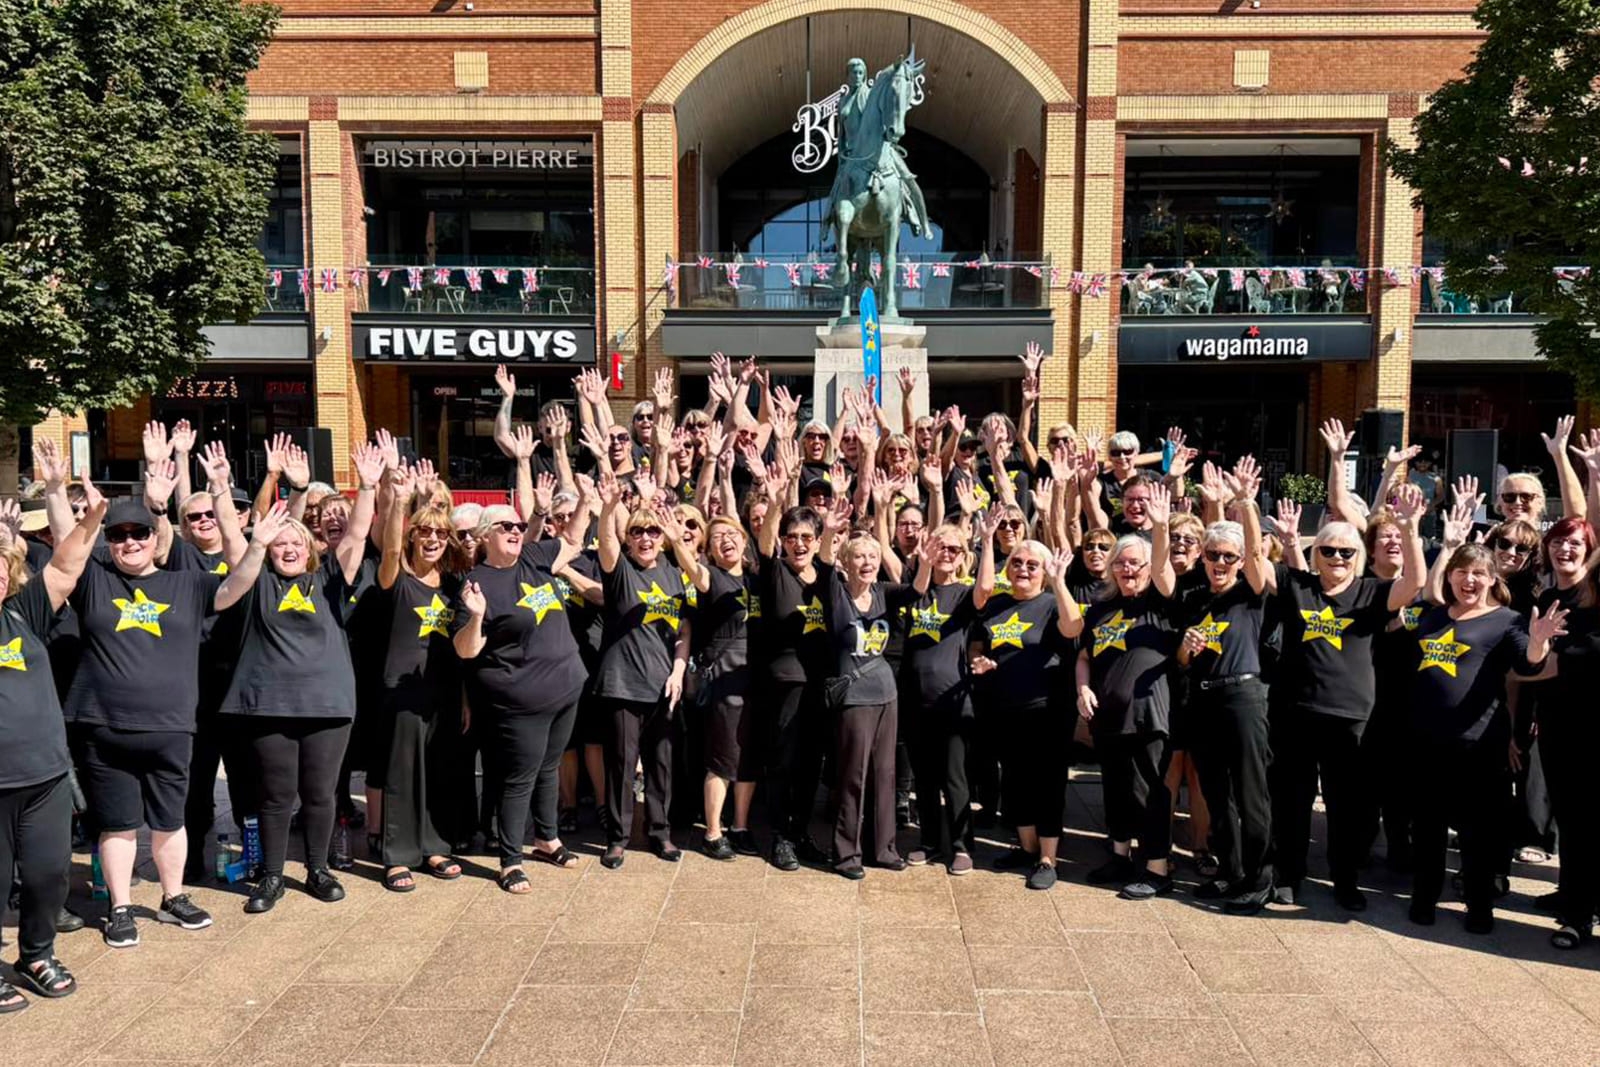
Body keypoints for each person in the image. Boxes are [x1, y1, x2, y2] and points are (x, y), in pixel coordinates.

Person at [62, 462, 244, 946]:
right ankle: (120, 907)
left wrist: (248, 529)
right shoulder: (95, 580)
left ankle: (173, 897)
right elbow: (66, 552)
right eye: (118, 535)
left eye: (137, 533)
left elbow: (241, 580)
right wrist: (70, 501)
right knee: (118, 826)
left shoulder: (188, 583)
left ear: (153, 536)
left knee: (170, 820)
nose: (128, 543)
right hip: (105, 727)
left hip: (172, 728)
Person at [217, 441, 379, 914]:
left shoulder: (328, 577)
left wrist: (367, 485)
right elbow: (233, 538)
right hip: (269, 705)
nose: (288, 550)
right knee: (276, 794)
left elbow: (357, 536)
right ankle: (271, 876)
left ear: (309, 549)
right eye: (280, 545)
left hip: (328, 705)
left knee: (321, 793)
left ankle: (318, 867)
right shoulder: (256, 580)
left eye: (295, 544)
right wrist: (237, 501)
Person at [1263, 486, 1425, 909]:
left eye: (1346, 553)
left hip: (1352, 718)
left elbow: (1414, 583)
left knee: (1346, 807)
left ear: (1359, 557)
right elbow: (1253, 567)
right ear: (1315, 554)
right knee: (1292, 802)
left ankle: (1344, 879)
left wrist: (1409, 531)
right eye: (1329, 551)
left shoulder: (1372, 593)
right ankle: (1290, 874)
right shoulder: (1297, 585)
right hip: (1296, 712)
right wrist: (1247, 508)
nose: (1337, 558)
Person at [1407, 542, 1560, 935]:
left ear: (1492, 580)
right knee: (1427, 828)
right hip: (1427, 742)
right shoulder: (1431, 617)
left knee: (1479, 833)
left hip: (1479, 744)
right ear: (1450, 575)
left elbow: (1530, 662)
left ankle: (1478, 905)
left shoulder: (1507, 620)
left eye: (1478, 573)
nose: (1468, 580)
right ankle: (1423, 898)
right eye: (1461, 571)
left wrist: (1539, 639)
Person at [0, 483, 104, 1010]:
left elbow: (65, 568)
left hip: (44, 777)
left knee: (48, 874)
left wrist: (92, 521)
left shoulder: (24, 614)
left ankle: (36, 953)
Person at [452, 501, 586, 892]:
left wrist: (590, 499)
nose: (514, 530)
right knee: (520, 778)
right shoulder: (477, 582)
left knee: (550, 766)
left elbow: (574, 540)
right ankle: (510, 860)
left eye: (518, 524)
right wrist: (476, 616)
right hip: (521, 699)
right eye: (504, 526)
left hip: (566, 686)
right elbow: (465, 650)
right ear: (483, 537)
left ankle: (547, 839)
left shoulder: (533, 555)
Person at [593, 474, 705, 869]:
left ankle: (660, 833)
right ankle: (618, 838)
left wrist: (678, 670)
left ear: (662, 537)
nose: (645, 538)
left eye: (653, 531)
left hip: (664, 686)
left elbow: (684, 630)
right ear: (629, 538)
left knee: (661, 765)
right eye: (638, 531)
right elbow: (606, 547)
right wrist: (609, 508)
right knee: (622, 766)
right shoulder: (621, 570)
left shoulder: (674, 575)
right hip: (622, 684)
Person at [1076, 485, 1180, 900]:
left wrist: (1159, 528)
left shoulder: (1160, 602)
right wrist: (1081, 687)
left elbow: (1165, 573)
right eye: (1120, 563)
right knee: (1115, 788)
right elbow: (1084, 656)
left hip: (1149, 714)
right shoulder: (1101, 608)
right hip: (1107, 715)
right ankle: (1119, 855)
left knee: (1151, 791)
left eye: (1135, 563)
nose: (1127, 570)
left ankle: (1157, 867)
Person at [371, 462, 471, 891]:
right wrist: (397, 501)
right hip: (401, 693)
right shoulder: (398, 578)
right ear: (413, 535)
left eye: (440, 534)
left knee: (439, 769)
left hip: (445, 692)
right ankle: (397, 857)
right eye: (424, 533)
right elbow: (390, 551)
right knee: (401, 772)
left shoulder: (453, 584)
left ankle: (434, 846)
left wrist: (465, 698)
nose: (432, 540)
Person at [1176, 489, 1274, 911]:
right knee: (1217, 795)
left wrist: (1248, 506)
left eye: (1228, 557)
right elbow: (1180, 661)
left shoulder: (1250, 593)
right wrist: (1186, 646)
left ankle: (1259, 879)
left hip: (1243, 697)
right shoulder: (1195, 599)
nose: (1219, 563)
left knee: (1251, 794)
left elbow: (1256, 559)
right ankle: (1230, 872)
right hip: (1203, 699)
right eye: (1213, 555)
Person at [971, 521, 1080, 890]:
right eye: (1017, 562)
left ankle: (1048, 859)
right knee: (1015, 782)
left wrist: (1059, 581)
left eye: (1032, 565)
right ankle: (1026, 848)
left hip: (1048, 709)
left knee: (1047, 783)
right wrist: (981, 660)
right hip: (1006, 708)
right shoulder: (998, 606)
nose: (1023, 569)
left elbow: (1073, 628)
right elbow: (980, 644)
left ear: (1044, 571)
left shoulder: (1052, 604)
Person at [820, 522, 918, 879]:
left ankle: (884, 848)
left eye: (873, 556)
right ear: (845, 561)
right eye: (859, 555)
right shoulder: (836, 592)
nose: (867, 562)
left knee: (884, 774)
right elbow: (822, 560)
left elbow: (917, 590)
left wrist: (926, 561)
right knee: (853, 776)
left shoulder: (883, 592)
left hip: (886, 694)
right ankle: (846, 853)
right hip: (854, 699)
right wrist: (831, 531)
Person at [901, 523, 980, 874]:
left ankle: (962, 845)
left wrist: (988, 540)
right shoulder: (915, 591)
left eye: (954, 549)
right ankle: (930, 842)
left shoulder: (964, 594)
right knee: (925, 778)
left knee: (954, 777)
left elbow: (987, 588)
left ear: (964, 556)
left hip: (952, 700)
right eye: (940, 547)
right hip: (915, 699)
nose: (946, 554)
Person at [695, 515, 760, 860]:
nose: (725, 539)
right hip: (724, 678)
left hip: (754, 680)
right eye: (717, 536)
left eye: (732, 533)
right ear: (710, 549)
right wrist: (678, 540)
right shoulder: (711, 577)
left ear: (744, 540)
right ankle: (712, 832)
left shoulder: (756, 579)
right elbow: (695, 573)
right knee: (722, 759)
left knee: (748, 758)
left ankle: (741, 826)